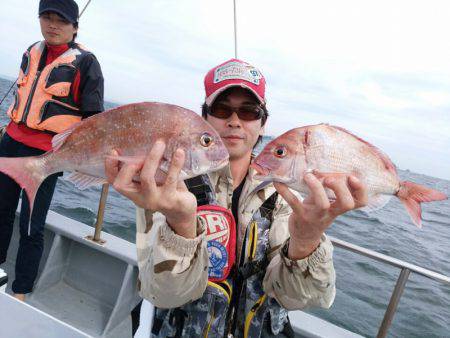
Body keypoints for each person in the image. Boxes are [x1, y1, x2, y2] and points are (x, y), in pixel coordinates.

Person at [106, 59, 368, 337]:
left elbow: (300, 299)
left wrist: (306, 240)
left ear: (263, 123)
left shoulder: (287, 195)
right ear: (204, 118)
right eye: (221, 109)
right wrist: (181, 224)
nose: (234, 121)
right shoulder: (166, 183)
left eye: (249, 111)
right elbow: (164, 294)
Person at [0, 0, 104, 301]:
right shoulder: (32, 50)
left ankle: (21, 290)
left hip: (46, 155)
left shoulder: (86, 63)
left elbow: (93, 120)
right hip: (11, 141)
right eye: (46, 17)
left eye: (61, 20)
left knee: (32, 223)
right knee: (1, 210)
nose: (52, 25)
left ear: (74, 27)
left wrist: (84, 158)